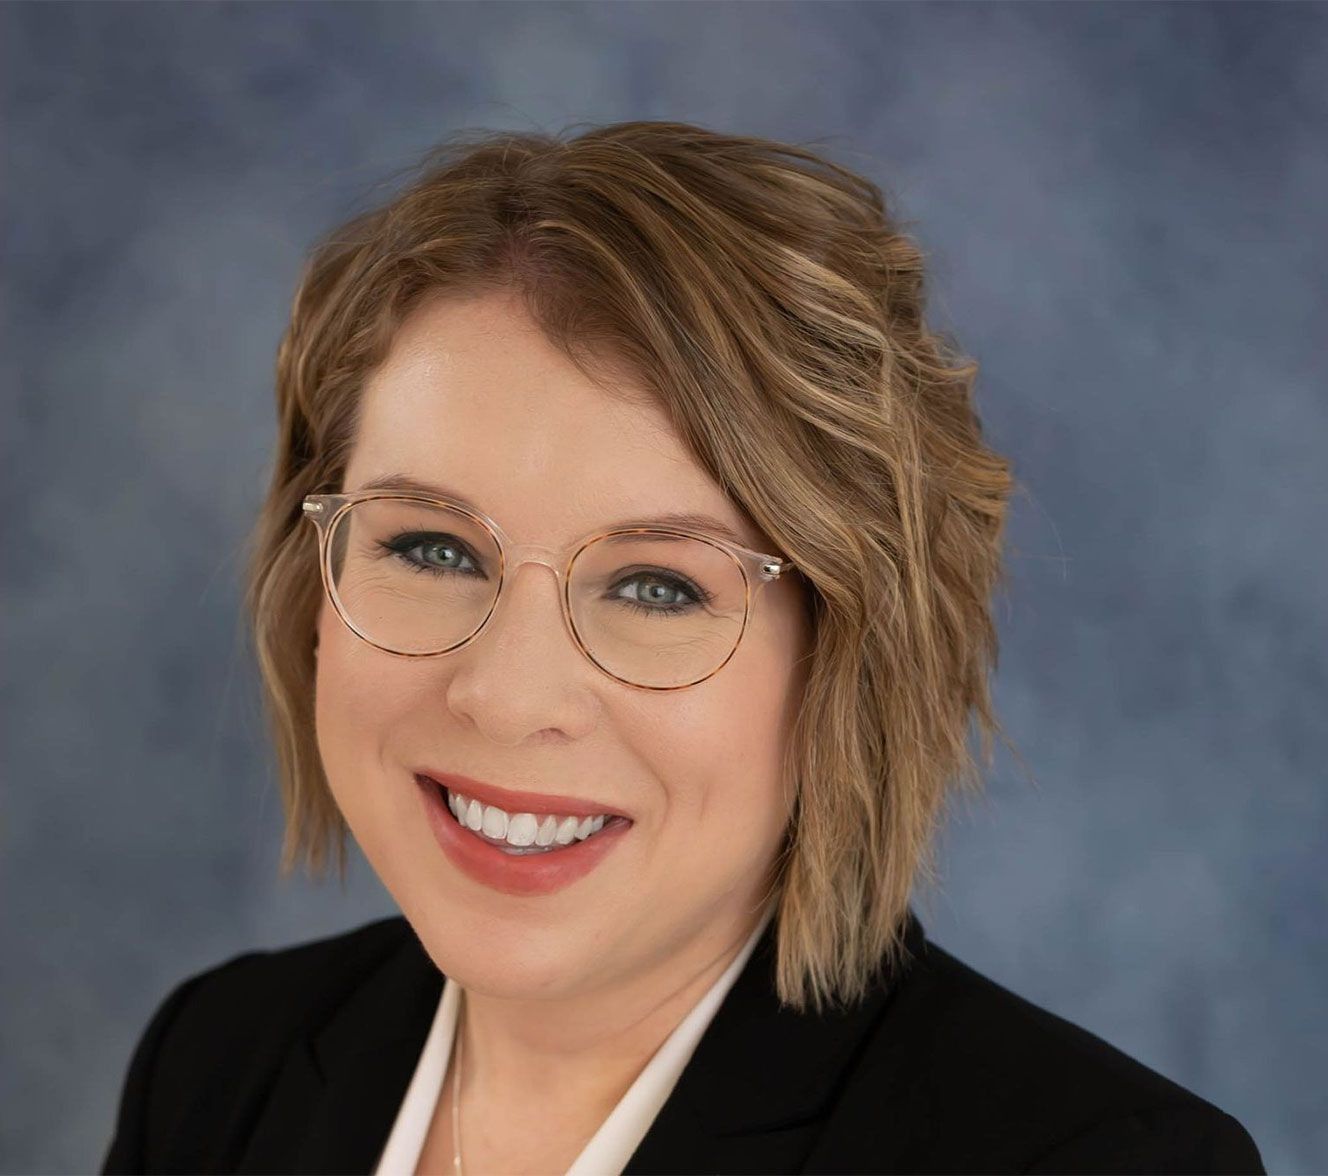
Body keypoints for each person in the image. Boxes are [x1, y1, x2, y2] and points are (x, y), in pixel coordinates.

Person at [101, 120, 1264, 1175]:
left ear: (848, 657)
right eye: (433, 550)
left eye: (656, 585)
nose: (506, 697)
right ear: (314, 584)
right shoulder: (219, 1063)